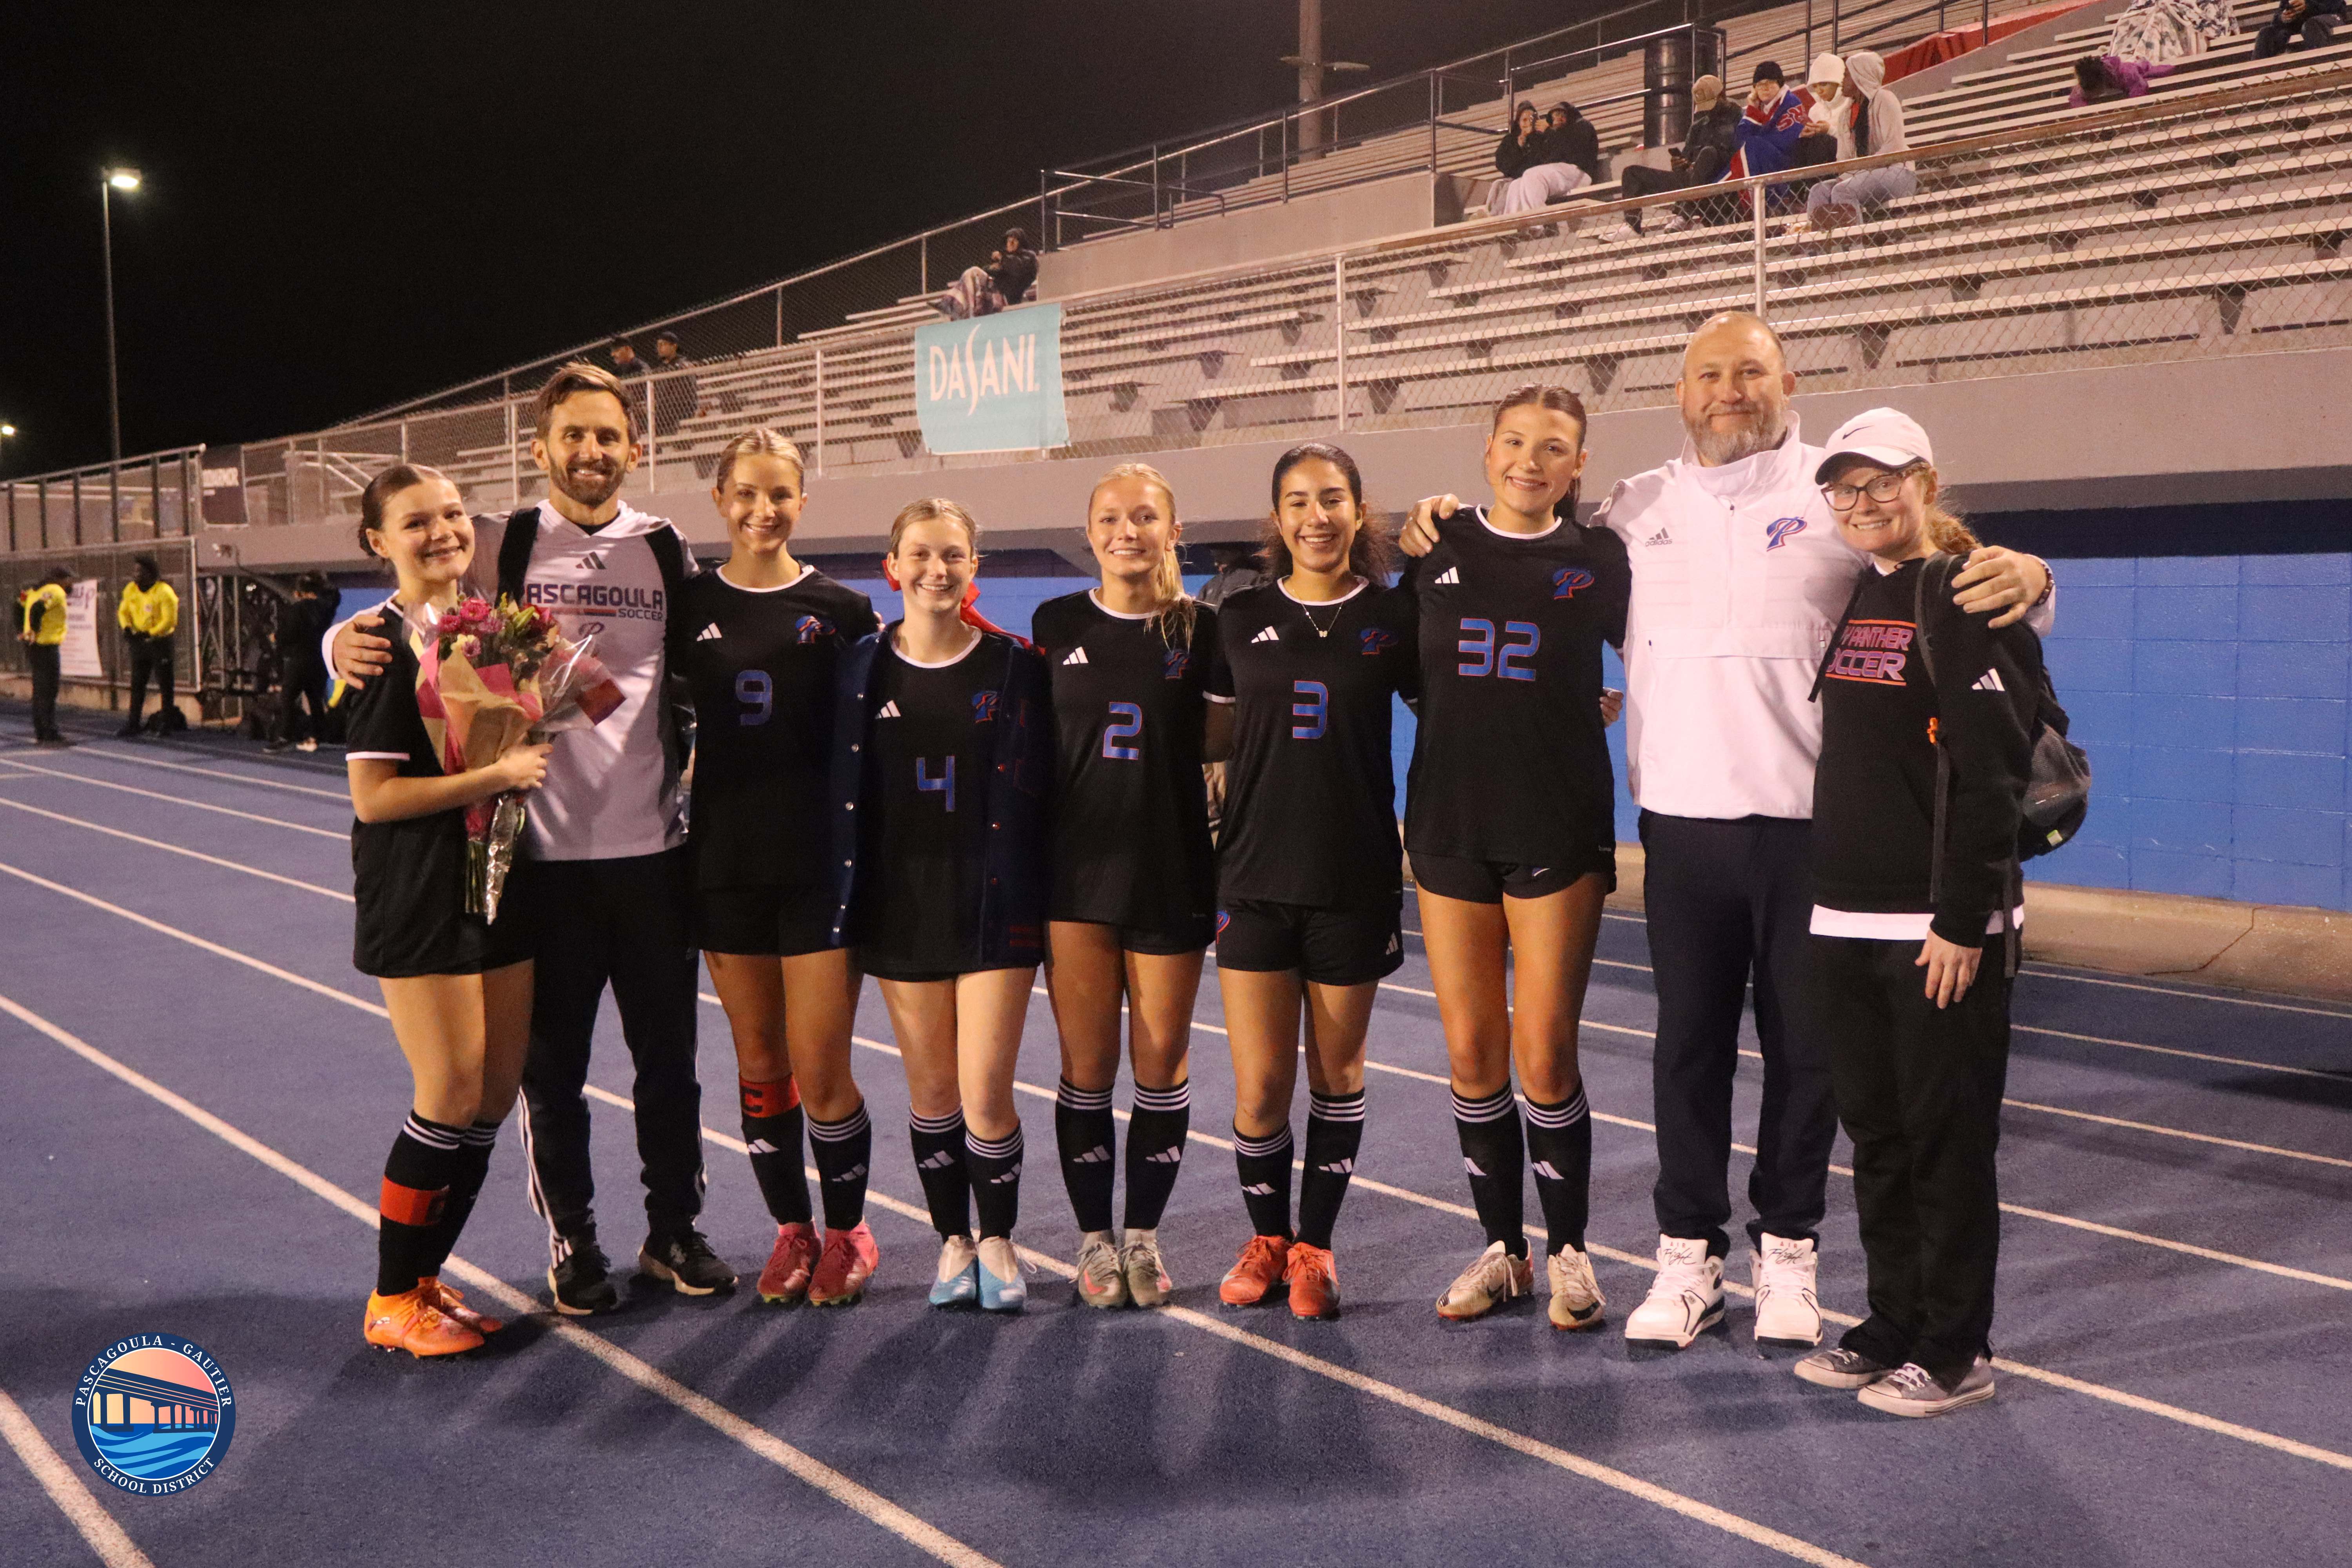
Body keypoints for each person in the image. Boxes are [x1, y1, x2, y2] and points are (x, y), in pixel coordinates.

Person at [1401, 312, 2052, 1355]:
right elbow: (1528, 554)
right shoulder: (1634, 509)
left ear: (1786, 379)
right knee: (1687, 1052)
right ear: (1680, 393)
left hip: (1816, 832)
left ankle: (1787, 1252)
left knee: (1808, 1058)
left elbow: (1945, 564)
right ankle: (1687, 1255)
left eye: (1750, 371)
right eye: (1710, 375)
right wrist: (1442, 519)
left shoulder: (1836, 493)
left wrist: (2034, 577)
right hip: (1683, 825)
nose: (1730, 391)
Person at [329, 363, 729, 1317]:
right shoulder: (497, 543)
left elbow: (727, 645)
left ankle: (674, 1228)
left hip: (652, 854)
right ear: (539, 447)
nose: (591, 452)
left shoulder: (665, 547)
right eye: (572, 436)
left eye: (608, 436)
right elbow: (404, 609)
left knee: (670, 1064)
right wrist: (333, 642)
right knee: (551, 1078)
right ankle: (573, 1241)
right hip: (537, 864)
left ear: (637, 448)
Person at [1791, 409, 2042, 1417]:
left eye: (1882, 483)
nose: (1862, 504)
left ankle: (1955, 1346)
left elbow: (1992, 773)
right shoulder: (1863, 590)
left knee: (1946, 1143)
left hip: (1934, 927)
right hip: (1843, 915)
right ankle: (1893, 1319)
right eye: (1844, 489)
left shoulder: (1964, 589)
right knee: (1880, 1139)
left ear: (1926, 481)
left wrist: (1961, 918)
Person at [1399, 387, 1630, 1331]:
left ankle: (1573, 1250)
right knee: (1470, 1052)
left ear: (1579, 467)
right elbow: (1403, 672)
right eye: (1517, 443)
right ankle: (1504, 1249)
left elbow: (1677, 643)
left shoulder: (1601, 558)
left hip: (1556, 822)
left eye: (1556, 448)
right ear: (1487, 451)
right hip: (1449, 821)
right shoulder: (1434, 549)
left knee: (1544, 1051)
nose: (1532, 460)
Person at [668, 429, 882, 1307]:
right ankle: (792, 1230)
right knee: (760, 1061)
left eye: (781, 494)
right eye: (747, 493)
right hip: (724, 861)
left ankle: (849, 1231)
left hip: (820, 866)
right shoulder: (685, 605)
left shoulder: (843, 609)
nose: (764, 510)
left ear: (804, 499)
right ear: (720, 498)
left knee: (823, 1065)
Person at [343, 463, 551, 1357]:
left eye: (455, 515)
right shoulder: (382, 646)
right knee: (448, 1091)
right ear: (378, 541)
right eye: (417, 521)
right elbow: (375, 798)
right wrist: (496, 776)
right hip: (420, 889)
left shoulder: (489, 634)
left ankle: (427, 1279)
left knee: (494, 1095)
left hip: (499, 878)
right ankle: (391, 1295)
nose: (443, 532)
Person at [1208, 443, 1420, 1321]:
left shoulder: (1394, 617)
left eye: (1333, 499)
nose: (1316, 517)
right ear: (1277, 518)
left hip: (1354, 877)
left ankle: (1316, 1248)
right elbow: (1205, 737)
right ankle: (1268, 1236)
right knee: (1259, 1087)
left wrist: (1568, 702)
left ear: (1359, 512)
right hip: (1254, 875)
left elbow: (1466, 702)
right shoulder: (1236, 614)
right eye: (1298, 501)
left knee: (1336, 1074)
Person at [838, 498, 1052, 1312]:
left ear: (975, 567)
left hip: (996, 901)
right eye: (921, 555)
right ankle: (951, 1240)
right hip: (901, 906)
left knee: (987, 1092)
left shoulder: (1013, 664)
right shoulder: (861, 666)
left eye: (953, 556)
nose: (937, 570)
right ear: (892, 567)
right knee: (932, 1094)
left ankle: (997, 1235)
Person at [1032, 465, 1231, 1309]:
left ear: (1173, 530)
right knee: (1087, 1067)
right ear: (1090, 530)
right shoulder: (1055, 621)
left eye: (1146, 515)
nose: (1128, 531)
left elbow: (1224, 747)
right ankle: (1092, 1242)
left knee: (1162, 1064)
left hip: (1172, 865)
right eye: (1111, 517)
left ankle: (1143, 1237)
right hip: (1074, 873)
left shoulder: (1202, 628)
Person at [1604, 74, 1739, 238]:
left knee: (1708, 155)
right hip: (1692, 180)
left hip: (1720, 181)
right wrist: (1679, 164)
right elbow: (1687, 156)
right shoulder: (1698, 126)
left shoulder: (1738, 118)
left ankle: (1685, 213)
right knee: (1632, 174)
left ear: (1721, 96)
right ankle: (1633, 227)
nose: (1708, 111)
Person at [1802, 52, 1914, 234]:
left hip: (1898, 172)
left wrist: (1855, 173)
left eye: (1847, 74)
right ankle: (1817, 253)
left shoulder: (1885, 99)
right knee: (1818, 191)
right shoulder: (1847, 112)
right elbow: (1843, 159)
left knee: (1843, 191)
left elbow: (1893, 148)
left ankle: (1855, 250)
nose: (1843, 79)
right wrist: (1849, 174)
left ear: (1859, 76)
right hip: (1861, 175)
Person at [1720, 62, 1809, 216]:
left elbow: (1785, 141)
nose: (1764, 88)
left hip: (1790, 163)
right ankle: (1717, 197)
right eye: (1759, 85)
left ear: (1780, 83)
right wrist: (1752, 109)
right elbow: (1741, 143)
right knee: (1746, 151)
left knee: (1753, 147)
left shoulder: (1791, 102)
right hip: (1766, 165)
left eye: (1769, 82)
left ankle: (1748, 207)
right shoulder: (1759, 108)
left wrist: (1757, 138)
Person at [268, 574, 335, 754]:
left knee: (288, 697)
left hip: (299, 660)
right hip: (321, 660)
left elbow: (288, 635)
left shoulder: (296, 610)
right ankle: (318, 736)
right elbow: (333, 594)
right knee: (315, 700)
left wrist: (276, 638)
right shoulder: (326, 609)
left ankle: (286, 736)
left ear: (300, 592)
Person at [116, 555, 180, 737]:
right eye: (135, 571)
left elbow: (169, 620)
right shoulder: (131, 590)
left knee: (165, 685)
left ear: (150, 574)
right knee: (137, 685)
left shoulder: (164, 591)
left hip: (160, 643)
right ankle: (133, 723)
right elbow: (124, 611)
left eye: (140, 572)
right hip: (139, 644)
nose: (136, 575)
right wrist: (127, 627)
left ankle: (167, 725)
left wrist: (151, 633)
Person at [1495, 101, 1596, 215]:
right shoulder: (1552, 134)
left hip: (1579, 172)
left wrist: (1549, 131)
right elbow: (1546, 158)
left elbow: (1572, 151)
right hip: (1560, 174)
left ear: (1571, 116)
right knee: (1516, 185)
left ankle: (1537, 222)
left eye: (1563, 115)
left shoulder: (1582, 126)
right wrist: (1521, 146)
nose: (1559, 118)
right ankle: (1514, 223)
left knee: (1533, 175)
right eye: (1556, 116)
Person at [18, 567, 73, 745]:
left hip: (34, 645)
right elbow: (38, 608)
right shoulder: (55, 591)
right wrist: (34, 630)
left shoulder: (34, 591)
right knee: (49, 690)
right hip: (45, 645)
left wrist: (23, 630)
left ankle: (41, 730)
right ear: (60, 579)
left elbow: (17, 604)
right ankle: (49, 731)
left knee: (39, 690)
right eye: (69, 580)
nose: (70, 584)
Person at [2105, 0, 2239, 64]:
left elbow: (2210, 10)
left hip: (2186, 22)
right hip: (2158, 13)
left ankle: (2142, 65)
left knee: (2160, 18)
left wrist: (2174, 6)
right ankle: (2120, 65)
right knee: (2127, 22)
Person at [2067, 54, 2178, 103]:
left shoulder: (2128, 74)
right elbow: (2076, 98)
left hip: (2136, 71)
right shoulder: (2086, 80)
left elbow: (2138, 97)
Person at [2253, 0, 2343, 56]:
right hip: (2301, 25)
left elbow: (2335, 6)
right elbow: (2278, 17)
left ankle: (2321, 67)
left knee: (2312, 25)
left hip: (2330, 19)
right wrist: (2283, 17)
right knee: (2266, 32)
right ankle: (2256, 79)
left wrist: (2308, 6)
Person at [651, 332, 697, 439]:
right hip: (665, 410)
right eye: (658, 345)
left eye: (663, 344)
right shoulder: (663, 368)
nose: (659, 348)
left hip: (679, 408)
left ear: (674, 346)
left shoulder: (682, 365)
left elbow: (685, 394)